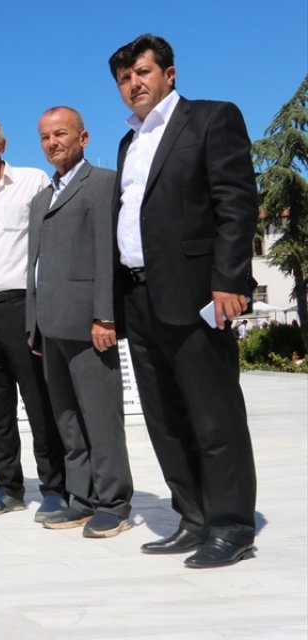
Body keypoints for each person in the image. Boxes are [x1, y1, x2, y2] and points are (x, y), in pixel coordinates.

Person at [109, 34, 259, 568]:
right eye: (125, 78)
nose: (134, 84)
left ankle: (233, 525)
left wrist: (230, 281)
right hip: (139, 296)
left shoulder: (212, 119)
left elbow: (236, 202)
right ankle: (193, 518)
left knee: (213, 414)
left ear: (169, 74)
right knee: (166, 419)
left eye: (143, 73)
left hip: (197, 293)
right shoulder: (128, 143)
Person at [25, 107, 134, 538]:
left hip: (91, 327)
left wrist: (105, 315)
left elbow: (108, 254)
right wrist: (34, 324)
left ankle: (114, 501)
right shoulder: (40, 198)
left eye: (61, 134)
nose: (53, 143)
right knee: (67, 419)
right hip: (51, 327)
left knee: (101, 417)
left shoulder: (102, 185)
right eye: (46, 137)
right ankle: (82, 498)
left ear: (83, 137)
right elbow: (33, 265)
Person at [0, 113, 66, 519]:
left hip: (23, 307)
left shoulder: (32, 181)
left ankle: (55, 488)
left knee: (39, 403)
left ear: (3, 144)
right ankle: (8, 488)